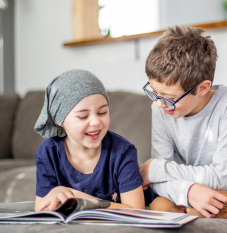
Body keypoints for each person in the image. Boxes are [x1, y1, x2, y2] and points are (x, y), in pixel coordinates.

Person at [139, 26, 227, 219]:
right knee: (159, 205)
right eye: (154, 92)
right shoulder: (160, 109)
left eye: (168, 97)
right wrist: (188, 191)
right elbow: (159, 179)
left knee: (206, 210)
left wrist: (156, 168)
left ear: (202, 88)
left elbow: (221, 178)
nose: (160, 103)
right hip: (199, 186)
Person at [33, 69, 144, 212]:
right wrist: (54, 193)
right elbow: (40, 207)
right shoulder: (47, 153)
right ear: (60, 120)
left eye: (102, 112)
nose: (96, 122)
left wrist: (79, 198)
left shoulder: (123, 152)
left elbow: (137, 210)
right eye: (83, 116)